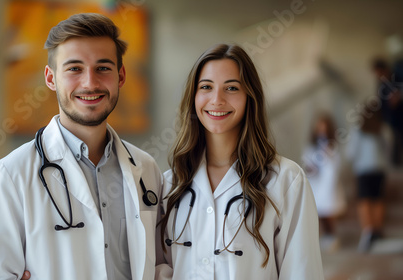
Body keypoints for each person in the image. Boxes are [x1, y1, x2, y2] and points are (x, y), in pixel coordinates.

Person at [0, 13, 163, 280]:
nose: (90, 83)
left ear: (121, 76)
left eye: (103, 68)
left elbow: (159, 265)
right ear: (50, 78)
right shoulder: (10, 176)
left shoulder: (146, 169)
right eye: (74, 68)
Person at [155, 44, 324, 279]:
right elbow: (158, 267)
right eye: (206, 87)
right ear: (194, 97)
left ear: (249, 97)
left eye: (231, 88)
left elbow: (302, 271)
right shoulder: (169, 184)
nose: (217, 99)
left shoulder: (286, 180)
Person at [346, 103, 389, 252]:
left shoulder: (358, 130)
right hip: (379, 169)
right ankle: (376, 230)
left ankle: (368, 232)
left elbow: (351, 152)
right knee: (377, 199)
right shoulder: (380, 129)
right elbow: (386, 148)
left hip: (363, 170)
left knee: (364, 200)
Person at [302, 113, 346, 252]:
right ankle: (324, 237)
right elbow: (307, 161)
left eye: (323, 126)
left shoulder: (333, 145)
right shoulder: (312, 146)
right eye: (318, 126)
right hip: (316, 184)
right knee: (318, 211)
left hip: (329, 184)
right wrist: (311, 168)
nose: (321, 129)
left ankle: (332, 236)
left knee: (329, 211)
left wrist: (327, 156)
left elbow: (336, 165)